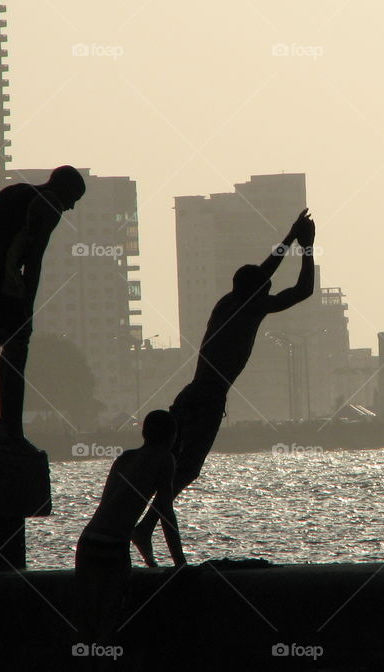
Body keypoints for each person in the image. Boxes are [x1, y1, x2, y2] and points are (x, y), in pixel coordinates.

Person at [132, 209, 316, 566]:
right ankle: (145, 528)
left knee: (169, 464)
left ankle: (142, 526)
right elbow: (302, 290)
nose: (269, 289)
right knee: (184, 469)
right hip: (207, 399)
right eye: (265, 290)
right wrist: (307, 248)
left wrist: (291, 236)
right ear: (258, 294)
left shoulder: (228, 302)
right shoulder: (251, 307)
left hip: (192, 393)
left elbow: (261, 274)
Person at [0, 166, 85, 440]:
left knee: (12, 344)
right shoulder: (49, 203)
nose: (71, 208)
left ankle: (7, 423)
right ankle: (12, 428)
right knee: (19, 343)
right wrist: (28, 307)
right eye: (73, 200)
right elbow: (34, 261)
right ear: (62, 189)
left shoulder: (15, 191)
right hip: (0, 278)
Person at [75, 409, 186, 642]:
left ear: (144, 433)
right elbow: (165, 512)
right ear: (172, 437)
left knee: (87, 622)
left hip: (87, 542)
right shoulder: (165, 458)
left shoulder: (124, 458)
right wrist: (180, 562)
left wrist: (148, 557)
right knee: (112, 621)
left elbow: (114, 509)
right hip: (113, 547)